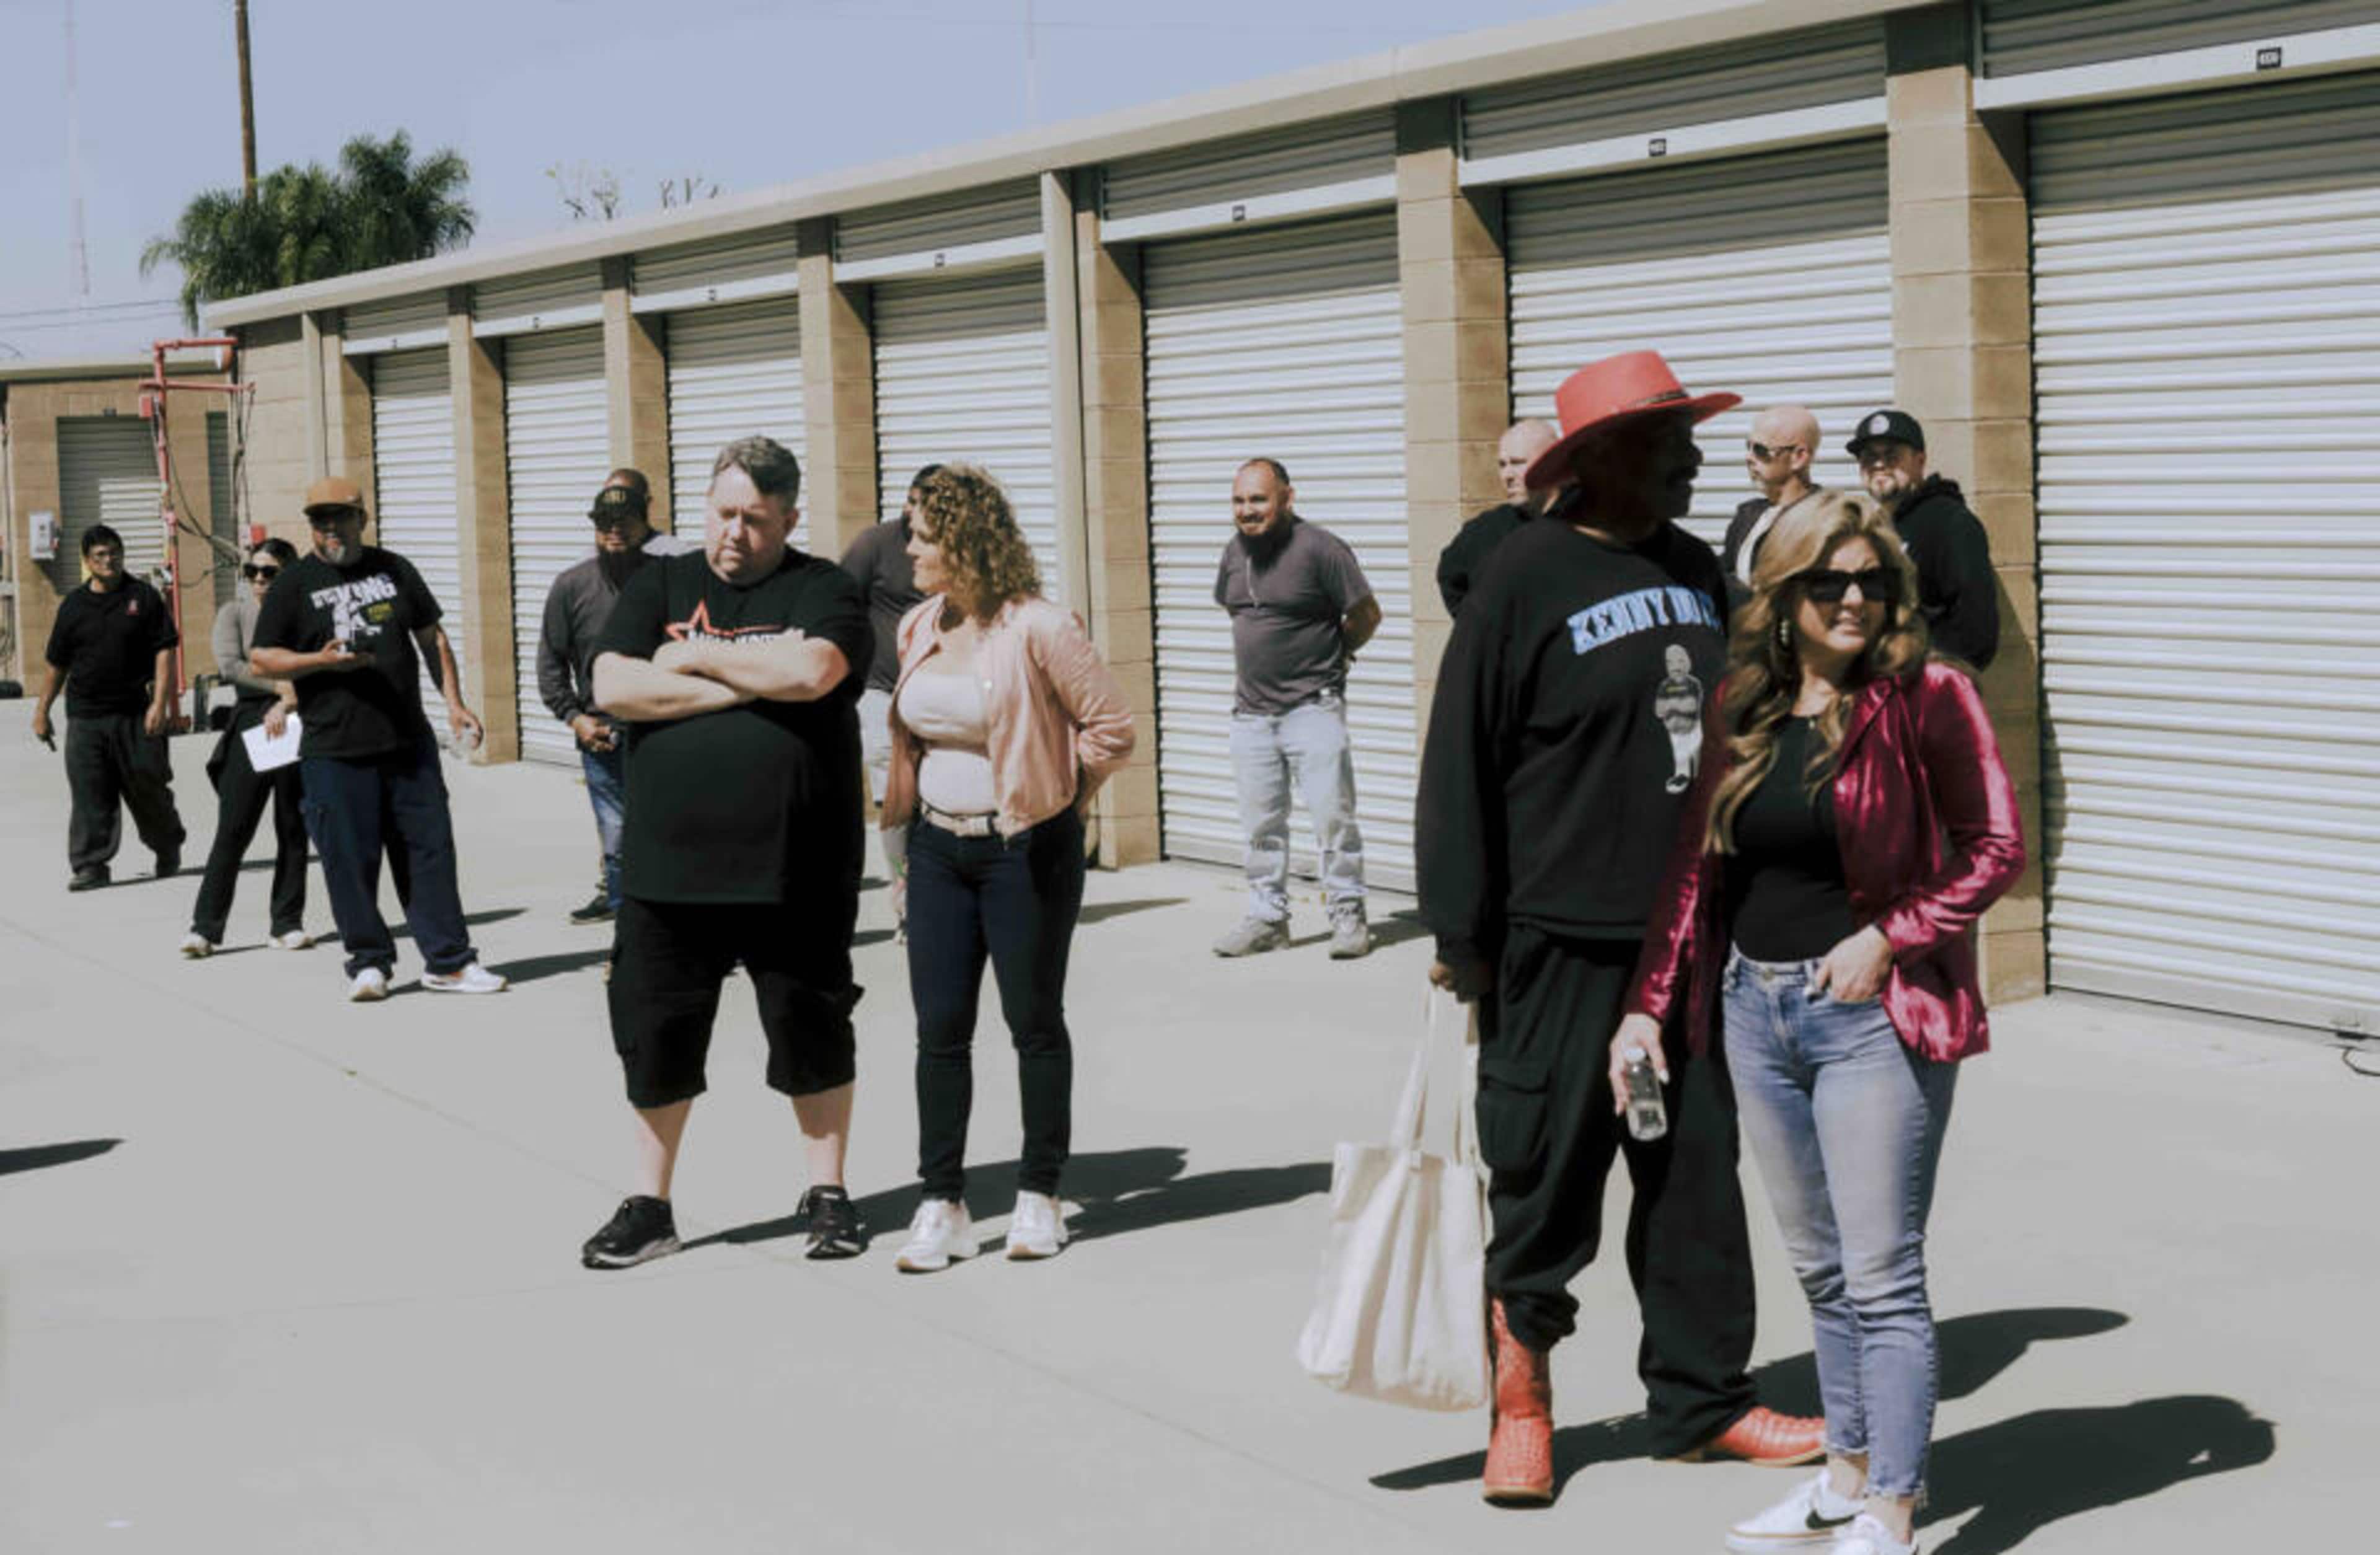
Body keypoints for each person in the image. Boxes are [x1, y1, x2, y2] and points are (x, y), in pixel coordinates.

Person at [1416, 350, 1822, 1507]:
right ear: (1599, 461)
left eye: (1693, 437)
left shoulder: (1700, 571)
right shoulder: (1519, 578)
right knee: (1544, 1176)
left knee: (1692, 1175)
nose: (1696, 457)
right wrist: (1463, 930)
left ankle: (1702, 1400)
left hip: (1691, 939)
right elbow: (1459, 766)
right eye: (1670, 440)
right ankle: (1524, 1402)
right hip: (1559, 939)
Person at [1617, 491, 2024, 1555]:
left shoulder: (1929, 694)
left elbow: (1994, 847)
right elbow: (1691, 877)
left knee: (1882, 1272)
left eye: (1872, 579)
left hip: (1872, 1016)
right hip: (1756, 1011)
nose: (1855, 598)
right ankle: (1843, 1478)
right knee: (1822, 1269)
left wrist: (1891, 935)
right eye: (1829, 581)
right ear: (1783, 594)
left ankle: (1893, 1500)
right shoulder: (1745, 706)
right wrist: (1647, 1011)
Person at [580, 435, 874, 1270]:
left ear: (788, 516)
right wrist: (755, 675)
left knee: (811, 1030)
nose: (734, 533)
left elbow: (816, 671)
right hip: (668, 874)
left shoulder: (825, 588)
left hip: (797, 869)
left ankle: (828, 1192)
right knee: (655, 1034)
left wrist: (699, 655)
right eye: (721, 514)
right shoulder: (658, 583)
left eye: (753, 518)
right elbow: (615, 686)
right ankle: (651, 1203)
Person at [879, 464, 1135, 1273]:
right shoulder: (918, 625)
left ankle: (1038, 1193)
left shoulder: (1039, 627)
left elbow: (1111, 729)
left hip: (1024, 851)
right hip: (935, 850)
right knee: (939, 1031)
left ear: (962, 537)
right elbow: (911, 739)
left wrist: (1060, 796)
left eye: (920, 534)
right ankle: (942, 1203)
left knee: (1033, 1022)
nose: (908, 548)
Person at [250, 476, 506, 1002]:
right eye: (320, 521)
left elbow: (431, 637)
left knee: (429, 853)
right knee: (349, 861)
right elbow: (263, 657)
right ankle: (369, 963)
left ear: (361, 519)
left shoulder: (394, 568)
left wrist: (454, 704)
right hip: (334, 751)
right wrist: (319, 661)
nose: (330, 530)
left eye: (340, 518)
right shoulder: (293, 584)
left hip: (407, 743)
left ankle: (450, 962)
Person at [1210, 457, 1382, 960]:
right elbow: (1237, 611)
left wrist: (1339, 656)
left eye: (1259, 499)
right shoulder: (1232, 554)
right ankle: (1267, 918)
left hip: (1313, 708)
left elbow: (1367, 614)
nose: (1248, 511)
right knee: (1261, 826)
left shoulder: (1321, 550)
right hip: (1251, 716)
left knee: (1334, 819)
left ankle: (1348, 913)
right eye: (1240, 500)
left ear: (1288, 497)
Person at [536, 470, 689, 927]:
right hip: (601, 736)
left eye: (625, 520)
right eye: (604, 521)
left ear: (645, 521)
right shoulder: (571, 585)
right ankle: (632, 936)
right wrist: (574, 718)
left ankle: (692, 931)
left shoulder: (670, 579)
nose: (614, 529)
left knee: (678, 832)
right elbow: (550, 663)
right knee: (619, 840)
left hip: (665, 731)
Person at [32, 522, 187, 891]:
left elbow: (164, 650)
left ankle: (167, 845)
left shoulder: (144, 597)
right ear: (87, 561)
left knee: (148, 787)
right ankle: (91, 865)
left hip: (135, 713)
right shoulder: (73, 606)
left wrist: (160, 704)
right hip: (86, 717)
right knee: (90, 793)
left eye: (114, 552)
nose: (109, 560)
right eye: (100, 555)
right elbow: (57, 664)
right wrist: (42, 712)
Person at [181, 538, 312, 955]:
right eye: (252, 572)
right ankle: (205, 927)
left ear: (288, 573)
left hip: (296, 719)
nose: (259, 580)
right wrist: (280, 688)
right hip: (254, 720)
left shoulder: (305, 616)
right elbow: (231, 666)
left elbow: (319, 663)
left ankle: (286, 922)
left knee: (293, 826)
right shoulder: (234, 613)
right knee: (234, 827)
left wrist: (290, 701)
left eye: (269, 572)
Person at [841, 464, 937, 931]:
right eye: (912, 499)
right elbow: (841, 602)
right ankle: (905, 897)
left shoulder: (954, 548)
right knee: (895, 787)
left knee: (936, 791)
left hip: (937, 689)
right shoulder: (874, 544)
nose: (913, 511)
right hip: (882, 687)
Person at [1846, 410, 1998, 669]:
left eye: (1892, 455)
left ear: (1920, 461)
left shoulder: (1951, 524)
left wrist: (1928, 678)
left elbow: (1976, 634)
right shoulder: (1874, 526)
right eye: (1869, 457)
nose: (1879, 465)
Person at [1435, 418, 1559, 615]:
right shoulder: (1484, 533)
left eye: (1518, 463)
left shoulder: (1584, 522)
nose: (1507, 475)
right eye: (1502, 465)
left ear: (1552, 462)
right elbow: (1450, 575)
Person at [1721, 405, 1825, 620]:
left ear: (1799, 457)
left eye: (1760, 450)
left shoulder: (1824, 518)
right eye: (1748, 447)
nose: (1749, 457)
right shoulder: (1748, 515)